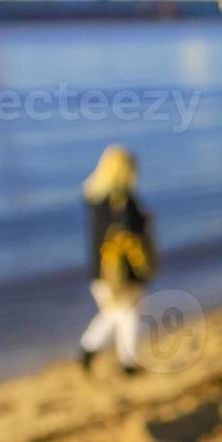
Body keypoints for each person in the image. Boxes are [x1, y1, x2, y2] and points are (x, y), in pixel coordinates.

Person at [78, 145, 157, 376]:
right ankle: (127, 363)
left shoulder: (94, 198)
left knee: (114, 313)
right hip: (121, 271)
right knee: (129, 314)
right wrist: (144, 220)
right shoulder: (123, 201)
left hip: (99, 271)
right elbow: (132, 231)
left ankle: (88, 350)